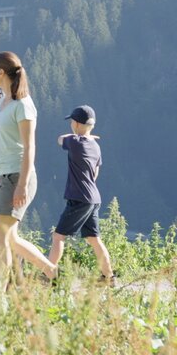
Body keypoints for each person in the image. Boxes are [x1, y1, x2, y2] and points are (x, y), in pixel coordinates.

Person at [0, 52, 58, 289]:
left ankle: (0, 290)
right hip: (5, 174)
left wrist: (22, 184)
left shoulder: (24, 105)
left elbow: (29, 147)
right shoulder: (3, 102)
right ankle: (51, 271)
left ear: (1, 72)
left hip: (19, 175)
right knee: (10, 237)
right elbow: (3, 141)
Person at [49, 105, 116, 287]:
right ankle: (108, 277)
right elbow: (95, 174)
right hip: (94, 198)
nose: (71, 123)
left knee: (58, 237)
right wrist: (88, 137)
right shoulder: (95, 146)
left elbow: (59, 139)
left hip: (79, 198)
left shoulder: (74, 142)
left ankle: (49, 275)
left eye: (72, 121)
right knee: (94, 239)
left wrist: (78, 137)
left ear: (77, 124)